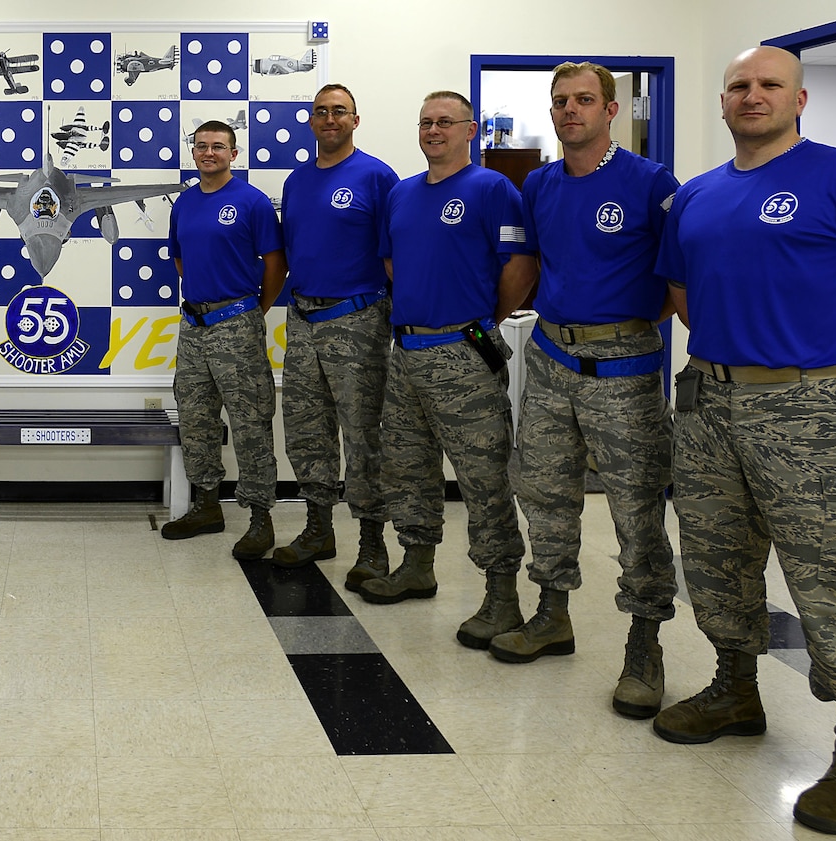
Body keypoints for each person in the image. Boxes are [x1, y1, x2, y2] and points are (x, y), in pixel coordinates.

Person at [654, 46, 836, 836]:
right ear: (721, 100)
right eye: (738, 85)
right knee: (714, 558)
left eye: (769, 84)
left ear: (799, 98)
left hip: (812, 407)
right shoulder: (698, 197)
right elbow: (682, 293)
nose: (753, 95)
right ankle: (734, 687)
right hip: (709, 401)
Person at [491, 63, 681, 720]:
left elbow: (677, 280)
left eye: (582, 100)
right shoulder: (538, 183)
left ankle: (645, 642)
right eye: (560, 102)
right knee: (542, 491)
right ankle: (551, 613)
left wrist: (620, 328)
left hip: (624, 366)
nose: (569, 110)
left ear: (611, 108)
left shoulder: (652, 183)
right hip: (548, 356)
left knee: (635, 511)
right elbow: (534, 264)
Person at [362, 92, 535, 653]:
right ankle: (417, 564)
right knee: (406, 466)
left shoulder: (492, 189)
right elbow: (392, 264)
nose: (434, 130)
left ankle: (501, 594)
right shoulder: (402, 194)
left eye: (446, 122)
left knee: (483, 478)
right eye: (426, 122)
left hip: (464, 352)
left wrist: (482, 319)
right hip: (407, 350)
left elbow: (520, 265)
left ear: (471, 130)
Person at [272, 84, 400, 580]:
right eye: (321, 112)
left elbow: (395, 254)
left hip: (358, 320)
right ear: (311, 120)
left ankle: (372, 543)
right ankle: (318, 527)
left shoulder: (376, 177)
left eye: (339, 111)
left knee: (363, 432)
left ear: (355, 120)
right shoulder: (296, 181)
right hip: (303, 320)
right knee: (306, 429)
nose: (330, 119)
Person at [158, 120, 286, 561]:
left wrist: (249, 311)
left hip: (237, 326)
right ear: (193, 153)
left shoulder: (251, 202)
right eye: (201, 146)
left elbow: (275, 264)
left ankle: (260, 519)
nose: (208, 153)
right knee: (196, 418)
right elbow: (179, 257)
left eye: (218, 146)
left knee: (250, 423)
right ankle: (207, 505)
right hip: (193, 328)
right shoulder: (186, 203)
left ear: (234, 153)